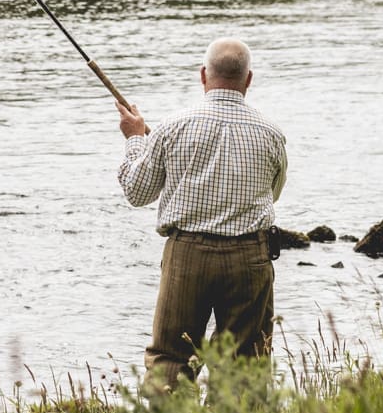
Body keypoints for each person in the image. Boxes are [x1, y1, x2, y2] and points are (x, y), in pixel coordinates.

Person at [114, 37, 288, 392]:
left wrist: (135, 138)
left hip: (187, 256)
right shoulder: (272, 134)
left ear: (203, 76)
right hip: (250, 259)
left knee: (171, 358)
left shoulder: (172, 127)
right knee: (246, 364)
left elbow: (137, 192)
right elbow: (273, 194)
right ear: (248, 80)